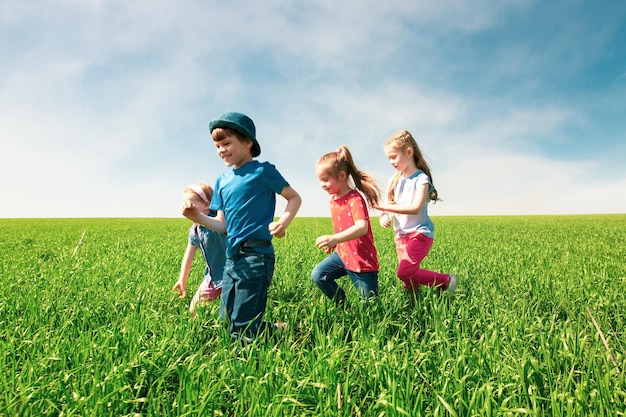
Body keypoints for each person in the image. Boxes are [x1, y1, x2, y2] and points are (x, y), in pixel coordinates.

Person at [181, 112, 301, 343]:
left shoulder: (263, 171)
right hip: (231, 258)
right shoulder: (222, 181)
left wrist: (283, 222)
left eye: (227, 143)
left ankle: (245, 368)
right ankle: (276, 329)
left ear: (248, 142)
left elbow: (294, 197)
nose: (221, 150)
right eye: (217, 145)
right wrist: (196, 217)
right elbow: (222, 224)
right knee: (228, 321)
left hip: (257, 255)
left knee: (241, 329)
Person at [375, 130, 458, 294]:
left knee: (404, 272)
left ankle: (446, 280)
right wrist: (383, 216)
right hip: (401, 236)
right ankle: (414, 312)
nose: (391, 162)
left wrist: (385, 209)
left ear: (409, 152)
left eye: (394, 157)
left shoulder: (421, 179)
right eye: (388, 158)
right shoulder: (393, 180)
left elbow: (415, 208)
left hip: (420, 234)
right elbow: (386, 206)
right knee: (409, 281)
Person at [312, 145, 381, 304]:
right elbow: (343, 226)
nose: (322, 185)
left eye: (325, 180)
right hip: (342, 255)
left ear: (342, 175)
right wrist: (335, 242)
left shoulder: (355, 199)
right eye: (320, 180)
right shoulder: (333, 200)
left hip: (362, 261)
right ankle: (343, 307)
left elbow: (361, 227)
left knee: (370, 306)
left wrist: (335, 238)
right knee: (318, 275)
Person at [172, 182, 227, 318]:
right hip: (213, 278)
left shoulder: (219, 222)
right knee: (194, 309)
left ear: (207, 205)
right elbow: (188, 257)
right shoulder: (195, 230)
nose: (186, 209)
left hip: (233, 275)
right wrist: (182, 280)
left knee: (235, 316)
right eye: (184, 205)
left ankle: (276, 328)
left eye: (190, 204)